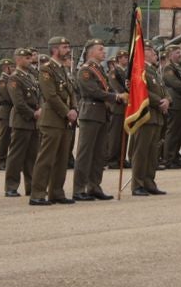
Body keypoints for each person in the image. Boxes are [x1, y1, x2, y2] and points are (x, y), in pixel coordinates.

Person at [73, 39, 128, 200]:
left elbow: (107, 88)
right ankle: (79, 189)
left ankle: (94, 185)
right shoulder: (86, 70)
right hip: (90, 113)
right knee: (85, 153)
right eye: (100, 49)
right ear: (91, 52)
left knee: (99, 154)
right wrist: (116, 96)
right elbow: (93, 91)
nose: (104, 52)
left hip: (102, 114)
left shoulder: (100, 70)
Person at [30, 37, 78, 206]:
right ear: (55, 50)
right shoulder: (46, 69)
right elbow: (50, 95)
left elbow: (71, 92)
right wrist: (67, 112)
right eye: (65, 47)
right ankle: (37, 193)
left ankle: (57, 192)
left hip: (65, 121)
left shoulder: (64, 69)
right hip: (52, 120)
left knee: (62, 159)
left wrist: (74, 109)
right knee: (46, 159)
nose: (68, 49)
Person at [131, 43, 170, 195]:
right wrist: (160, 101)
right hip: (146, 115)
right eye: (151, 51)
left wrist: (167, 99)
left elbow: (164, 90)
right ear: (144, 52)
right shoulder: (139, 69)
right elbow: (141, 90)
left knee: (153, 152)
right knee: (141, 152)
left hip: (157, 116)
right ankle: (138, 184)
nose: (155, 54)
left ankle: (149, 182)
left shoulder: (154, 71)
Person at [4, 48, 40, 197]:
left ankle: (30, 185)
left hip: (33, 120)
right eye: (26, 58)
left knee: (32, 155)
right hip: (22, 119)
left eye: (30, 57)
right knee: (16, 155)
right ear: (18, 59)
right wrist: (33, 114)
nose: (29, 60)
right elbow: (18, 102)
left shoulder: (30, 77)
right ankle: (11, 186)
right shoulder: (15, 78)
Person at [0, 58, 14, 170]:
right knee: (4, 138)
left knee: (10, 137)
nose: (13, 69)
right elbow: (7, 96)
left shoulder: (10, 79)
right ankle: (1, 162)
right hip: (6, 110)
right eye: (11, 67)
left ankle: (7, 161)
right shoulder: (2, 80)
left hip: (10, 110)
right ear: (5, 68)